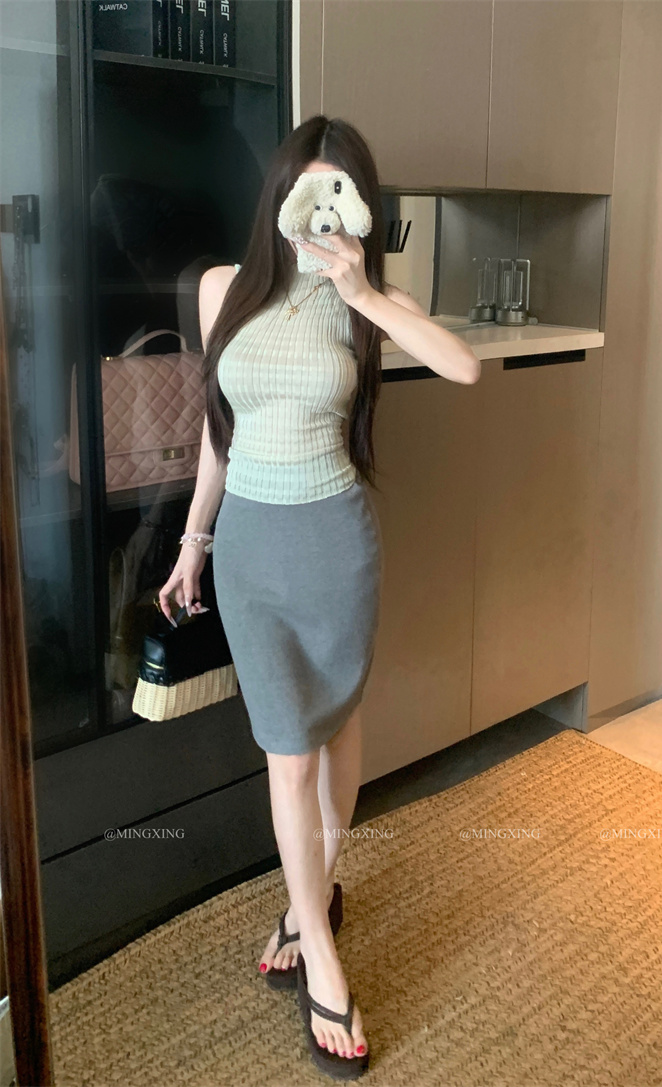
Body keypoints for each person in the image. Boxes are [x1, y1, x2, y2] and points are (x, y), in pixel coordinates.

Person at [158, 114, 480, 1078]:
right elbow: (218, 431)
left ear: (360, 207)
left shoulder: (366, 298)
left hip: (336, 547)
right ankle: (323, 953)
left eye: (343, 192)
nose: (322, 208)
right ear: (281, 193)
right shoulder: (223, 289)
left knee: (336, 736)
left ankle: (310, 902)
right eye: (310, 187)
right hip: (251, 552)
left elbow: (463, 365)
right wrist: (193, 540)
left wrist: (362, 289)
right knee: (289, 754)